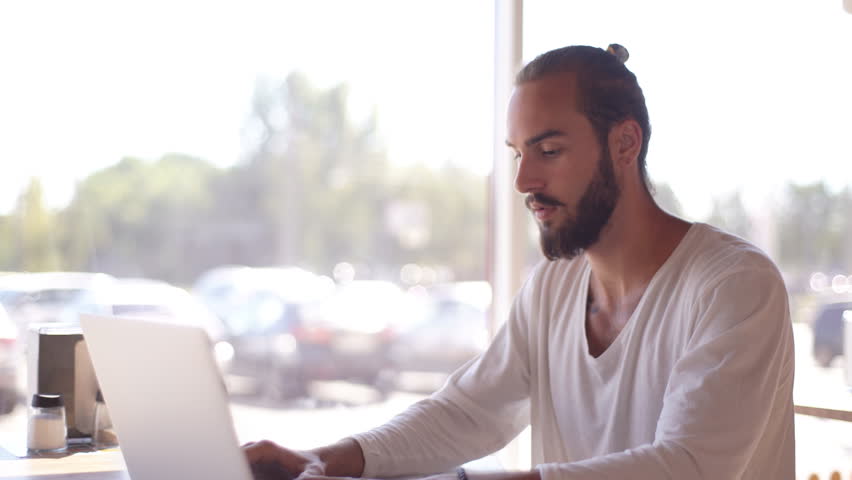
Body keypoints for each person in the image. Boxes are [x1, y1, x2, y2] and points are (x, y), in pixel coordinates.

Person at [244, 44, 795, 480]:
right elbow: (468, 413)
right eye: (518, 152)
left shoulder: (733, 285)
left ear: (625, 143)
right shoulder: (553, 288)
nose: (524, 181)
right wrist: (319, 459)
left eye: (549, 150)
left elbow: (687, 469)